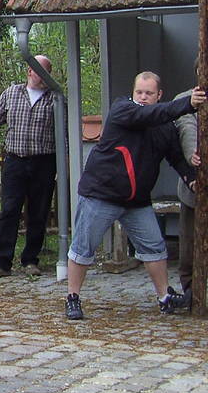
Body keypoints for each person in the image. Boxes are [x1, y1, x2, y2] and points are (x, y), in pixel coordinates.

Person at [64, 73, 203, 320]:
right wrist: (187, 104)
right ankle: (72, 298)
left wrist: (190, 177)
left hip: (137, 201)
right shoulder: (123, 109)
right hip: (101, 194)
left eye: (149, 93)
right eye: (139, 92)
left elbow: (176, 158)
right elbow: (150, 115)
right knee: (83, 248)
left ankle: (164, 298)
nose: (143, 97)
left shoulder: (165, 127)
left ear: (159, 95)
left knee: (155, 248)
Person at [0, 55, 56, 278]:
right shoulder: (12, 93)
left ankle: (30, 260)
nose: (44, 76)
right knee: (9, 210)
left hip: (44, 161)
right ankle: (1, 263)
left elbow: (64, 132)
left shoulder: (55, 98)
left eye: (47, 71)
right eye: (40, 70)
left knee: (38, 212)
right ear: (29, 72)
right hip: (15, 161)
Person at [175, 80, 197, 307]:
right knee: (189, 247)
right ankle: (191, 292)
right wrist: (194, 155)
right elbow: (186, 129)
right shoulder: (186, 98)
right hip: (194, 189)